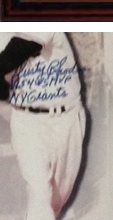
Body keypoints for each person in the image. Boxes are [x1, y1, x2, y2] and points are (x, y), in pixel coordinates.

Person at [0, 33, 86, 220]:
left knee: (57, 203)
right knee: (40, 193)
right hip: (26, 120)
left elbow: (16, 51)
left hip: (65, 118)